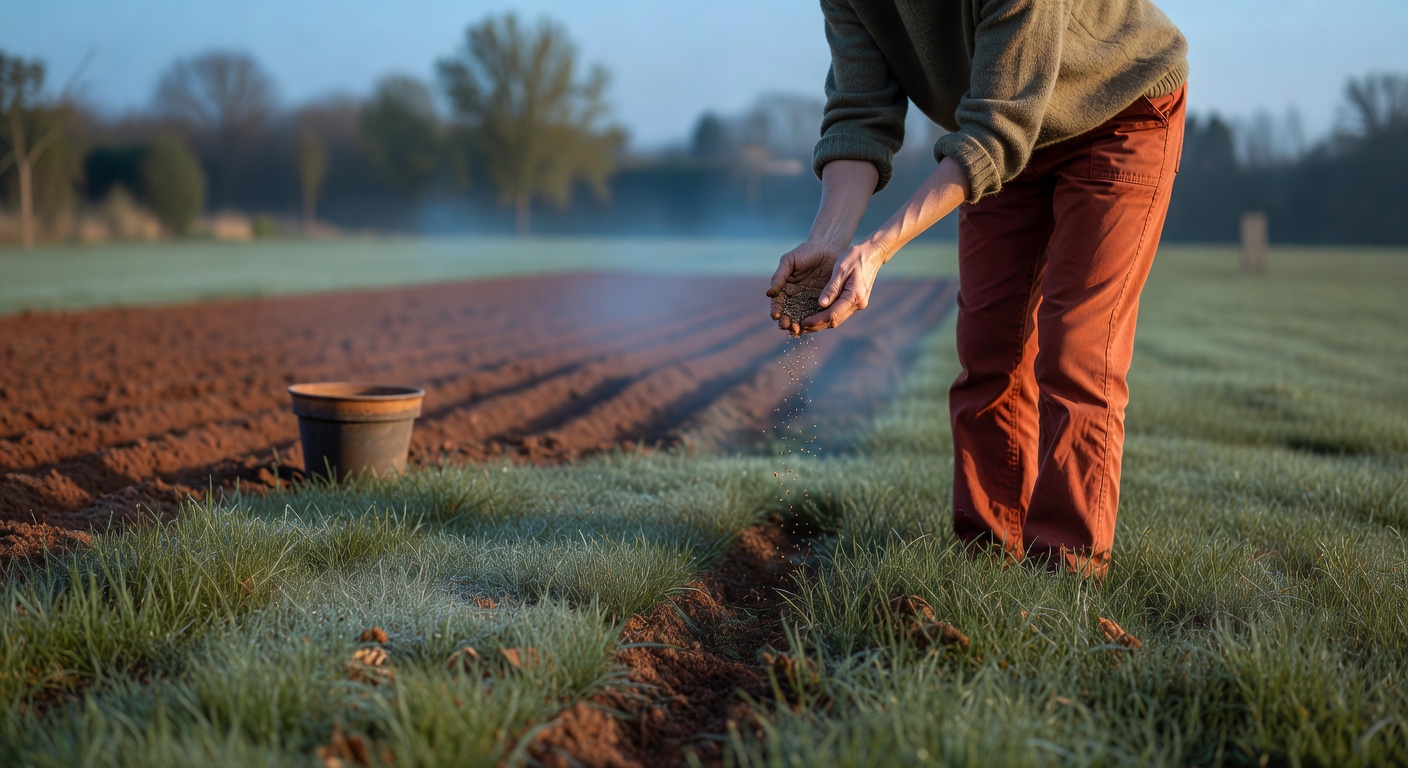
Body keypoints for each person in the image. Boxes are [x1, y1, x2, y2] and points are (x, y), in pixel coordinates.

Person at [768, 0, 1188, 579]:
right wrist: (828, 240)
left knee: (1076, 352)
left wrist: (880, 248)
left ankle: (1065, 577)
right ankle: (986, 565)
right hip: (1003, 135)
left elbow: (997, 130)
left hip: (1116, 108)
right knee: (990, 349)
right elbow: (860, 115)